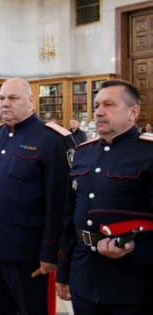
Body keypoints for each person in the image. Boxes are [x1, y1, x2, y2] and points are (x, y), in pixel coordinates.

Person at [0, 78, 75, 315]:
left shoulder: (52, 139)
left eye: (13, 98)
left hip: (28, 250)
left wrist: (51, 252)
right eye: (2, 98)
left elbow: (59, 202)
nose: (5, 104)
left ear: (31, 101)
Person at [56, 79, 153, 314]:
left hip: (132, 281)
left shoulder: (148, 153)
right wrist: (64, 271)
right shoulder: (83, 153)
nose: (99, 111)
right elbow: (69, 218)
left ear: (133, 113)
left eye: (109, 105)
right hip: (84, 274)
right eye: (97, 105)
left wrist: (134, 250)